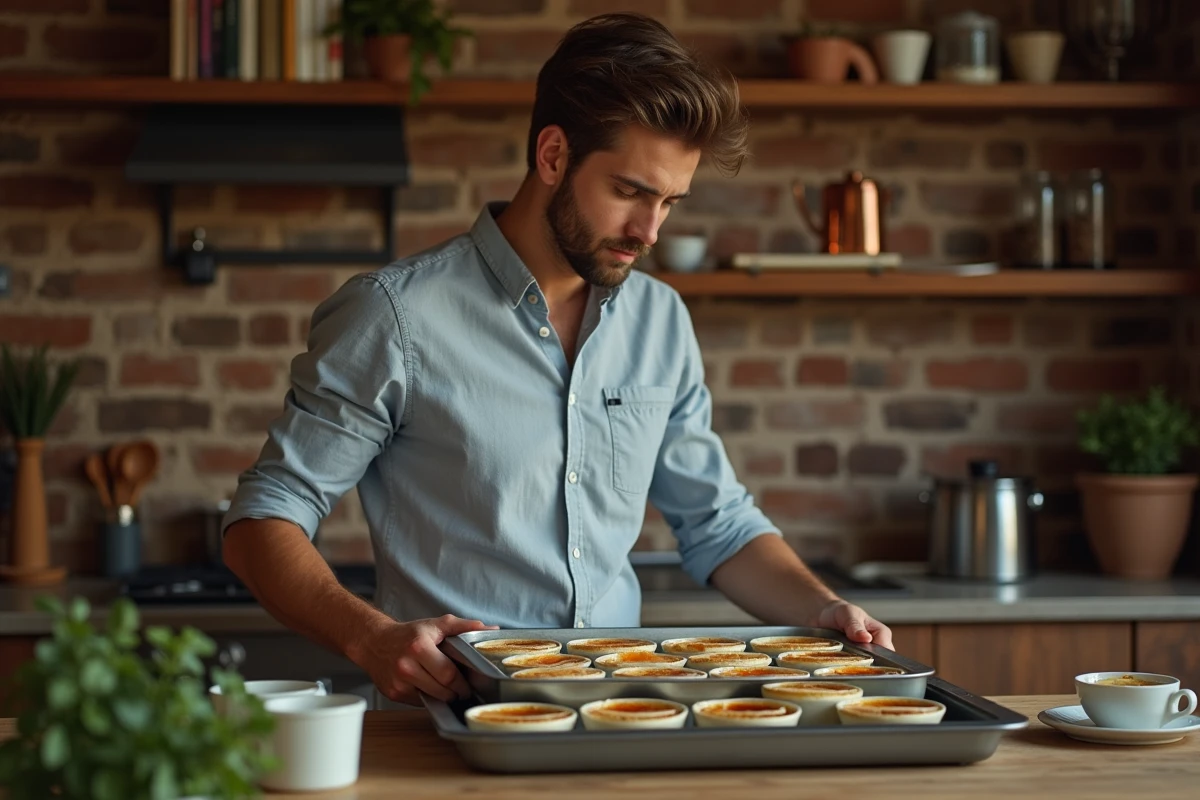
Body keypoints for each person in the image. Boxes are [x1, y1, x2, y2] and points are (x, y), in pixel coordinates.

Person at [222, 13, 892, 708]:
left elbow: (717, 524)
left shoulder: (661, 321)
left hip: (623, 723)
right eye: (630, 192)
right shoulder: (394, 317)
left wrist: (822, 610)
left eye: (669, 202)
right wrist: (370, 636)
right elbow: (263, 519)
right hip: (452, 723)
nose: (650, 231)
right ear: (551, 156)